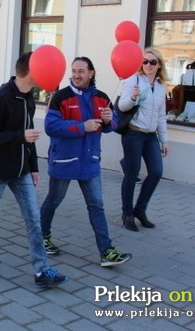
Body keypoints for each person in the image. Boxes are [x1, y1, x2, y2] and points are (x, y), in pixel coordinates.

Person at [0, 52, 68, 288]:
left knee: (33, 218)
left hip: (21, 171)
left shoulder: (29, 97)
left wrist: (33, 166)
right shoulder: (0, 97)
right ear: (31, 70)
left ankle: (41, 270)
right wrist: (20, 137)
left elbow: (28, 135)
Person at [39, 57, 132, 267]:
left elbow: (112, 125)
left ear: (91, 73)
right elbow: (51, 126)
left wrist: (110, 120)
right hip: (65, 159)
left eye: (81, 71)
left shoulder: (102, 97)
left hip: (89, 162)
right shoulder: (61, 97)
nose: (76, 75)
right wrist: (82, 126)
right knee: (54, 200)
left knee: (96, 206)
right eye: (73, 71)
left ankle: (107, 252)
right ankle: (41, 237)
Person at [117, 47, 170, 231]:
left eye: (152, 62)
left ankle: (140, 209)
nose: (148, 65)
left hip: (151, 136)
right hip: (133, 133)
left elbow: (161, 115)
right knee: (132, 174)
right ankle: (127, 213)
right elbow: (122, 107)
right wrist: (133, 97)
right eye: (145, 61)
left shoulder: (161, 87)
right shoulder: (133, 80)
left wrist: (164, 140)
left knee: (156, 172)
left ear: (159, 65)